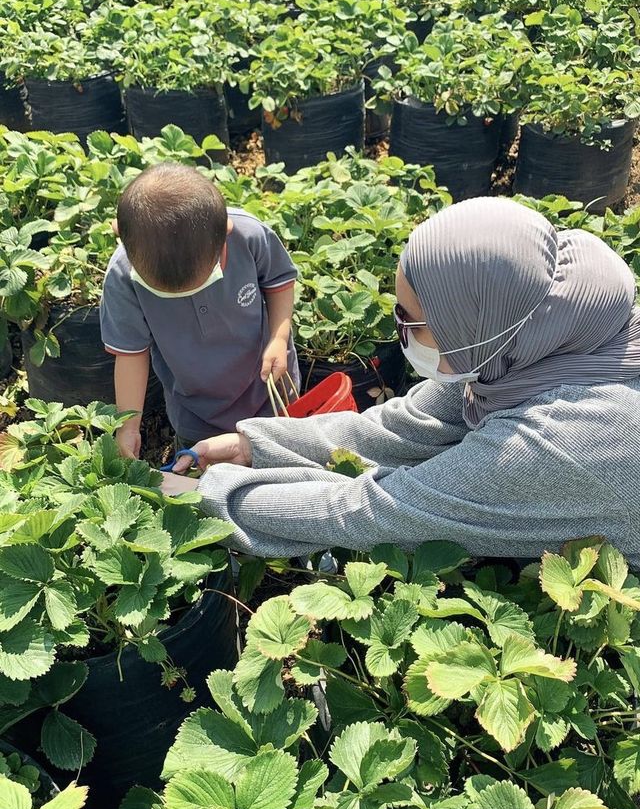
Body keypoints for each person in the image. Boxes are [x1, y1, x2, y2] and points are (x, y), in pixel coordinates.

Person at [161, 197, 640, 566]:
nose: (402, 333)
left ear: (472, 321)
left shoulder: (564, 439)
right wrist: (256, 446)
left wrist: (209, 496)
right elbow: (405, 427)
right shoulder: (533, 328)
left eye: (411, 319)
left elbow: (376, 511)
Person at [100, 162, 299, 457]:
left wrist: (279, 338)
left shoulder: (249, 235)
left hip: (269, 389)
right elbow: (131, 355)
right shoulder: (122, 277)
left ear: (225, 234)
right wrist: (128, 426)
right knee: (201, 471)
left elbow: (279, 282)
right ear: (122, 237)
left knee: (282, 456)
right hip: (196, 411)